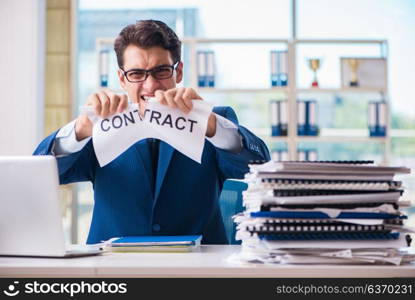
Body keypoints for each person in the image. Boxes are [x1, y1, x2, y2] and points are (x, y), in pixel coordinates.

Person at [34, 20, 270, 244]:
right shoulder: (99, 125)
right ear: (122, 79)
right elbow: (41, 173)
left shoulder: (211, 122)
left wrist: (211, 125)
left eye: (161, 71)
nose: (150, 85)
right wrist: (80, 130)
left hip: (197, 267)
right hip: (112, 269)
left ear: (178, 72)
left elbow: (261, 168)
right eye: (136, 74)